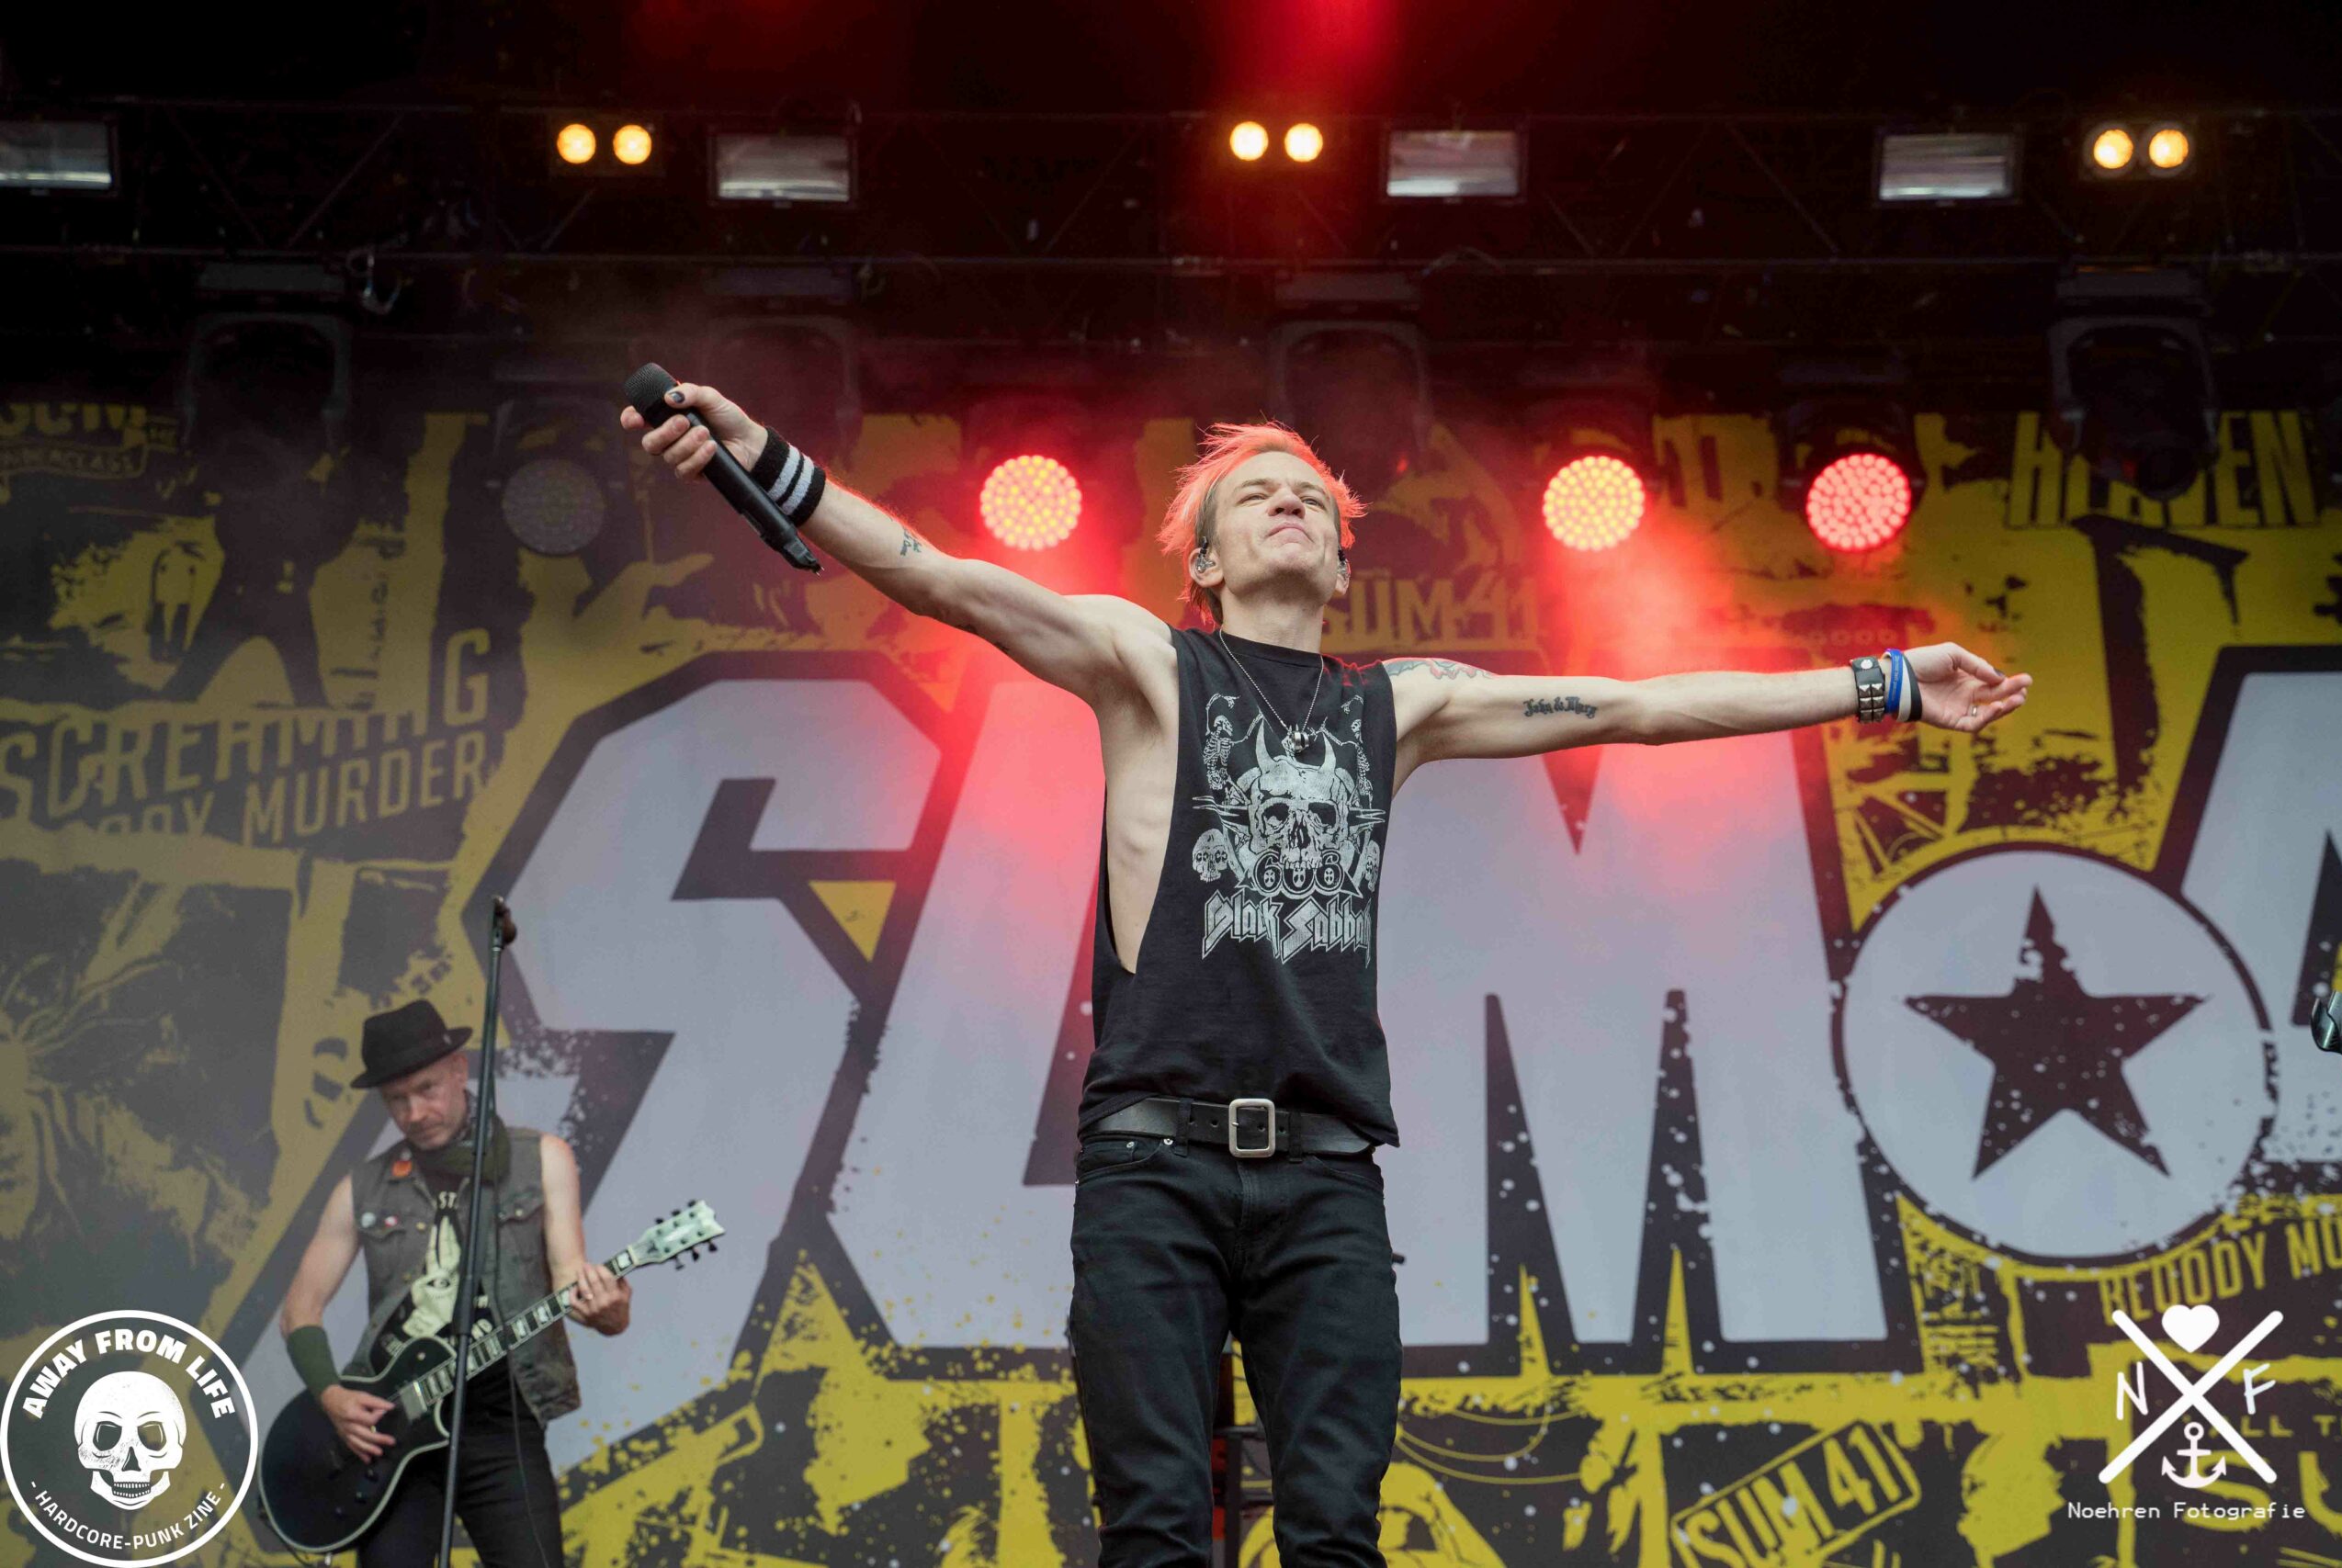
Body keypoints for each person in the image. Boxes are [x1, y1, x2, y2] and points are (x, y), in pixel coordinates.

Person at [620, 384, 2031, 1567]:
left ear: (1345, 565)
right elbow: (940, 575)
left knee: (1339, 1536)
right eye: (1259, 494)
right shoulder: (1147, 664)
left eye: (1315, 496)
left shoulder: (1395, 704)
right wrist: (766, 460)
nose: (1293, 501)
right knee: (1158, 1529)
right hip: (1153, 1168)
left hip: (1327, 1180)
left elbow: (1640, 705)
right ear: (1209, 560)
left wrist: (1887, 680)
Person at [277, 998, 632, 1568]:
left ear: (459, 1070)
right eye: (397, 1099)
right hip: (394, 1432)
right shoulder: (361, 1189)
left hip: (501, 1427)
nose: (415, 1112)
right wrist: (332, 1396)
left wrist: (610, 1311)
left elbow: (572, 1281)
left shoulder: (543, 1159)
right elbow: (300, 1309)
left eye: (427, 1089)